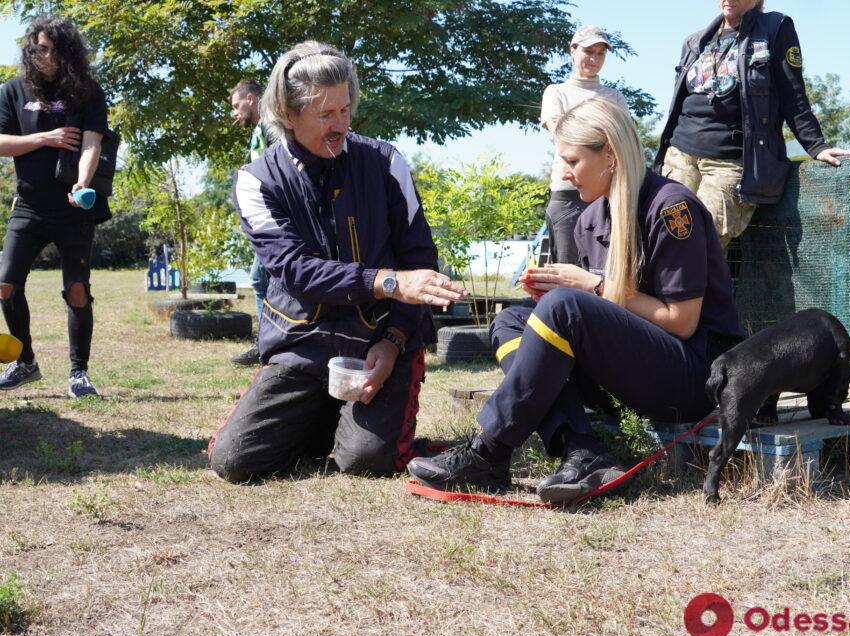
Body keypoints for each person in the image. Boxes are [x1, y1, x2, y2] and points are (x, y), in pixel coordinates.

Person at [407, 97, 744, 503]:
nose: (565, 175)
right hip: (634, 372)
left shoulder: (671, 208)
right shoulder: (589, 219)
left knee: (564, 306)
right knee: (511, 322)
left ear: (610, 153)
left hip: (697, 376)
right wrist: (559, 297)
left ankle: (490, 451)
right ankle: (581, 448)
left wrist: (591, 289)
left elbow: (681, 321)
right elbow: (599, 315)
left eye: (573, 161)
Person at [208, 41, 466, 483]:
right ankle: (328, 420)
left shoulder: (385, 162)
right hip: (303, 344)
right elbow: (294, 270)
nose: (340, 125)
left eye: (345, 110)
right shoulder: (256, 181)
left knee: (367, 461)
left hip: (381, 340)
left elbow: (419, 258)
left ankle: (357, 429)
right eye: (325, 114)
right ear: (287, 115)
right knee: (233, 461)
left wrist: (393, 341)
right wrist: (386, 281)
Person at [655, 0, 850, 248]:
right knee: (666, 237)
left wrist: (816, 145)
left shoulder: (774, 28)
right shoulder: (695, 41)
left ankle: (697, 288)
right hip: (680, 155)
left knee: (702, 245)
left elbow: (792, 93)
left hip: (728, 161)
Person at [0, 17, 111, 398]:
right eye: (34, 48)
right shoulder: (13, 90)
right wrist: (44, 137)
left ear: (65, 52)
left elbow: (92, 144)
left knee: (77, 289)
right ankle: (26, 361)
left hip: (73, 210)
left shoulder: (88, 92)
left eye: (46, 48)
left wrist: (82, 182)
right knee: (5, 283)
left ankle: (79, 373)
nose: (39, 55)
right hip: (28, 206)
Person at [540, 24, 628, 266]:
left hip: (608, 195)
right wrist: (600, 141)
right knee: (566, 274)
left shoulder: (615, 97)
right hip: (567, 194)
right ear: (573, 50)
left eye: (600, 53)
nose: (594, 58)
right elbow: (562, 136)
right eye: (589, 51)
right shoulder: (556, 92)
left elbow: (623, 141)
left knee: (606, 272)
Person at [227, 78, 270, 367]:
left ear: (251, 99)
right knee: (264, 279)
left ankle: (266, 345)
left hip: (274, 218)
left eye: (236, 105)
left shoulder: (271, 125)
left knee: (260, 278)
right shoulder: (261, 129)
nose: (234, 112)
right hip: (264, 216)